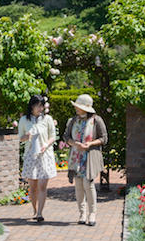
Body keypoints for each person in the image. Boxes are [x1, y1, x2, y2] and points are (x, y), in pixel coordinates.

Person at [62, 94, 108, 226]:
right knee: (78, 186)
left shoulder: (96, 120)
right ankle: (82, 213)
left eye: (78, 106)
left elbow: (104, 138)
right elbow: (66, 137)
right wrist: (74, 144)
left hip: (89, 157)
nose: (76, 108)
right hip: (76, 157)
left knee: (88, 184)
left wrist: (90, 144)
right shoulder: (73, 121)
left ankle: (92, 213)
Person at [17, 94, 57, 222]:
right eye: (38, 106)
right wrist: (27, 136)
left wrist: (46, 145)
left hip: (45, 155)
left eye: (42, 106)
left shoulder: (48, 119)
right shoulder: (24, 120)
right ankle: (34, 210)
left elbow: (53, 136)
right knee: (33, 187)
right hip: (31, 155)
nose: (40, 109)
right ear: (32, 106)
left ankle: (40, 213)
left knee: (42, 185)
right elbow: (20, 138)